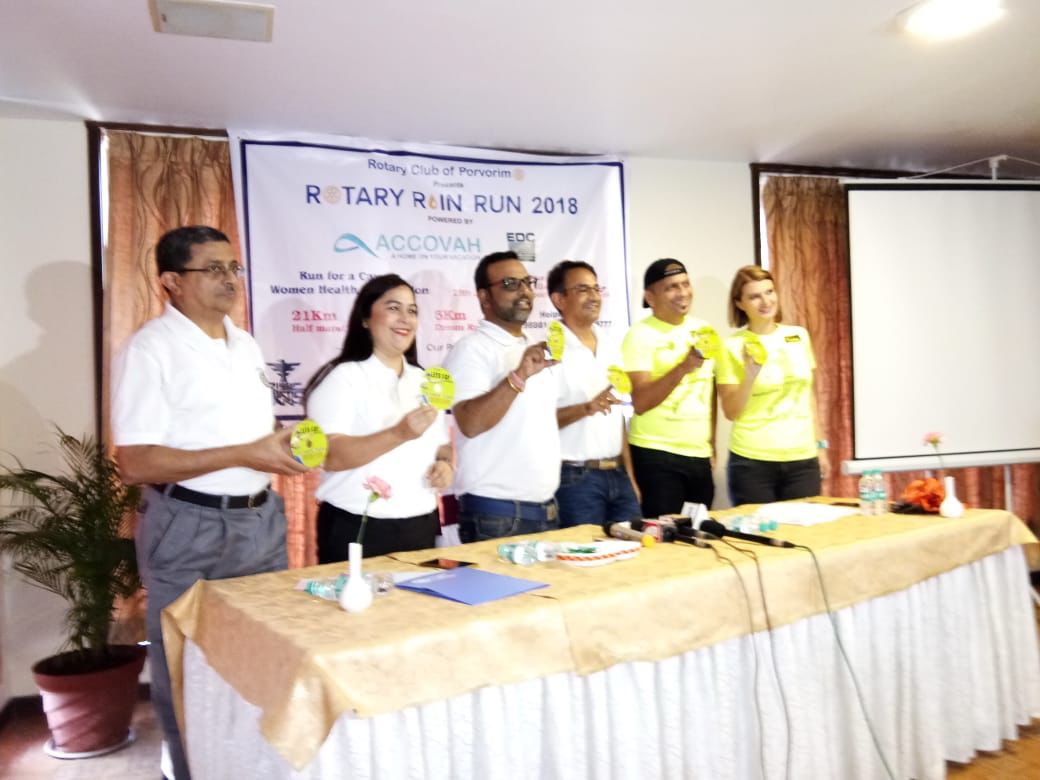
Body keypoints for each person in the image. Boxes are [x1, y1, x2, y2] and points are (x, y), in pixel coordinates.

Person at [112, 226, 310, 780]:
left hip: (259, 521)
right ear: (172, 281)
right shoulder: (150, 349)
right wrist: (246, 452)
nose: (229, 279)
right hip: (188, 525)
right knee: (184, 673)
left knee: (262, 658)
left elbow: (247, 434)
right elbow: (136, 462)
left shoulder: (244, 344)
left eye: (233, 268)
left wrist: (281, 447)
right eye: (213, 269)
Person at [305, 274, 452, 561]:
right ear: (365, 319)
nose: (405, 319)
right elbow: (331, 455)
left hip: (420, 524)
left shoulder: (425, 380)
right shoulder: (343, 378)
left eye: (412, 310)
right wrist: (398, 434)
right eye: (393, 308)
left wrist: (445, 465)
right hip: (357, 526)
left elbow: (442, 446)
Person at [443, 250, 560, 542]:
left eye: (527, 282)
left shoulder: (534, 347)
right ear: (484, 297)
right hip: (496, 515)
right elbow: (470, 423)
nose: (524, 291)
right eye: (510, 284)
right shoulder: (472, 349)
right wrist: (517, 377)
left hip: (544, 510)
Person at [716, 265, 829, 506]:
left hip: (803, 458)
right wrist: (750, 375)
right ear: (740, 304)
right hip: (752, 462)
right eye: (754, 296)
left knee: (805, 529)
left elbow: (809, 396)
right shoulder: (730, 346)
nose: (766, 301)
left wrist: (820, 446)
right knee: (760, 530)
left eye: (769, 292)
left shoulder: (798, 336)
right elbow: (730, 411)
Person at [547, 260, 642, 527]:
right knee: (584, 553)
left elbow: (617, 418)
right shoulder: (548, 350)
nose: (594, 296)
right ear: (559, 299)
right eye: (582, 289)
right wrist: (586, 408)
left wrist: (630, 477)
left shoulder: (611, 346)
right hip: (574, 479)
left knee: (634, 549)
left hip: (618, 475)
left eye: (596, 288)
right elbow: (538, 421)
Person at [621, 258, 716, 517]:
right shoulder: (639, 335)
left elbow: (711, 391)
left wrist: (711, 445)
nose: (682, 292)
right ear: (650, 297)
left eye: (685, 284)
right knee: (664, 536)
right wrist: (683, 367)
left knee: (699, 534)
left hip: (699, 454)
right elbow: (640, 402)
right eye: (672, 287)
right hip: (657, 454)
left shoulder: (704, 330)